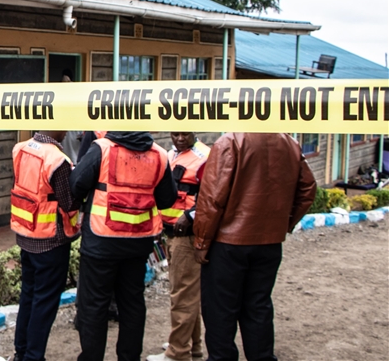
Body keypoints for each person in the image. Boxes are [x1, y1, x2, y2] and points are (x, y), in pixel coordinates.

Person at [193, 133, 316, 361]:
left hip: (227, 244)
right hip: (268, 243)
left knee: (220, 309)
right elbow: (308, 189)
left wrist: (201, 240)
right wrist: (284, 224)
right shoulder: (290, 143)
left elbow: (212, 197)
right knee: (258, 307)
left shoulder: (230, 141)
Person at [70, 131, 177, 361]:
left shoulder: (102, 149)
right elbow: (168, 199)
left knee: (94, 307)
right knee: (132, 304)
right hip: (137, 244)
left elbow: (76, 183)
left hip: (101, 243)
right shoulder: (159, 154)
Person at [10, 130, 82, 361]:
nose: (67, 132)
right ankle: (33, 356)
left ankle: (22, 352)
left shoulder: (20, 148)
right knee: (45, 303)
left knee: (29, 295)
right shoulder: (57, 160)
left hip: (26, 235)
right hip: (50, 241)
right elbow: (68, 201)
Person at [147, 132, 211, 361]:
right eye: (175, 134)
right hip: (171, 233)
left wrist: (192, 216)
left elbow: (212, 196)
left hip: (189, 236)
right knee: (187, 293)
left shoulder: (205, 157)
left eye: (185, 134)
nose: (180, 138)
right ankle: (190, 346)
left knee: (182, 295)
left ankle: (177, 353)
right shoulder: (169, 155)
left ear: (196, 132)